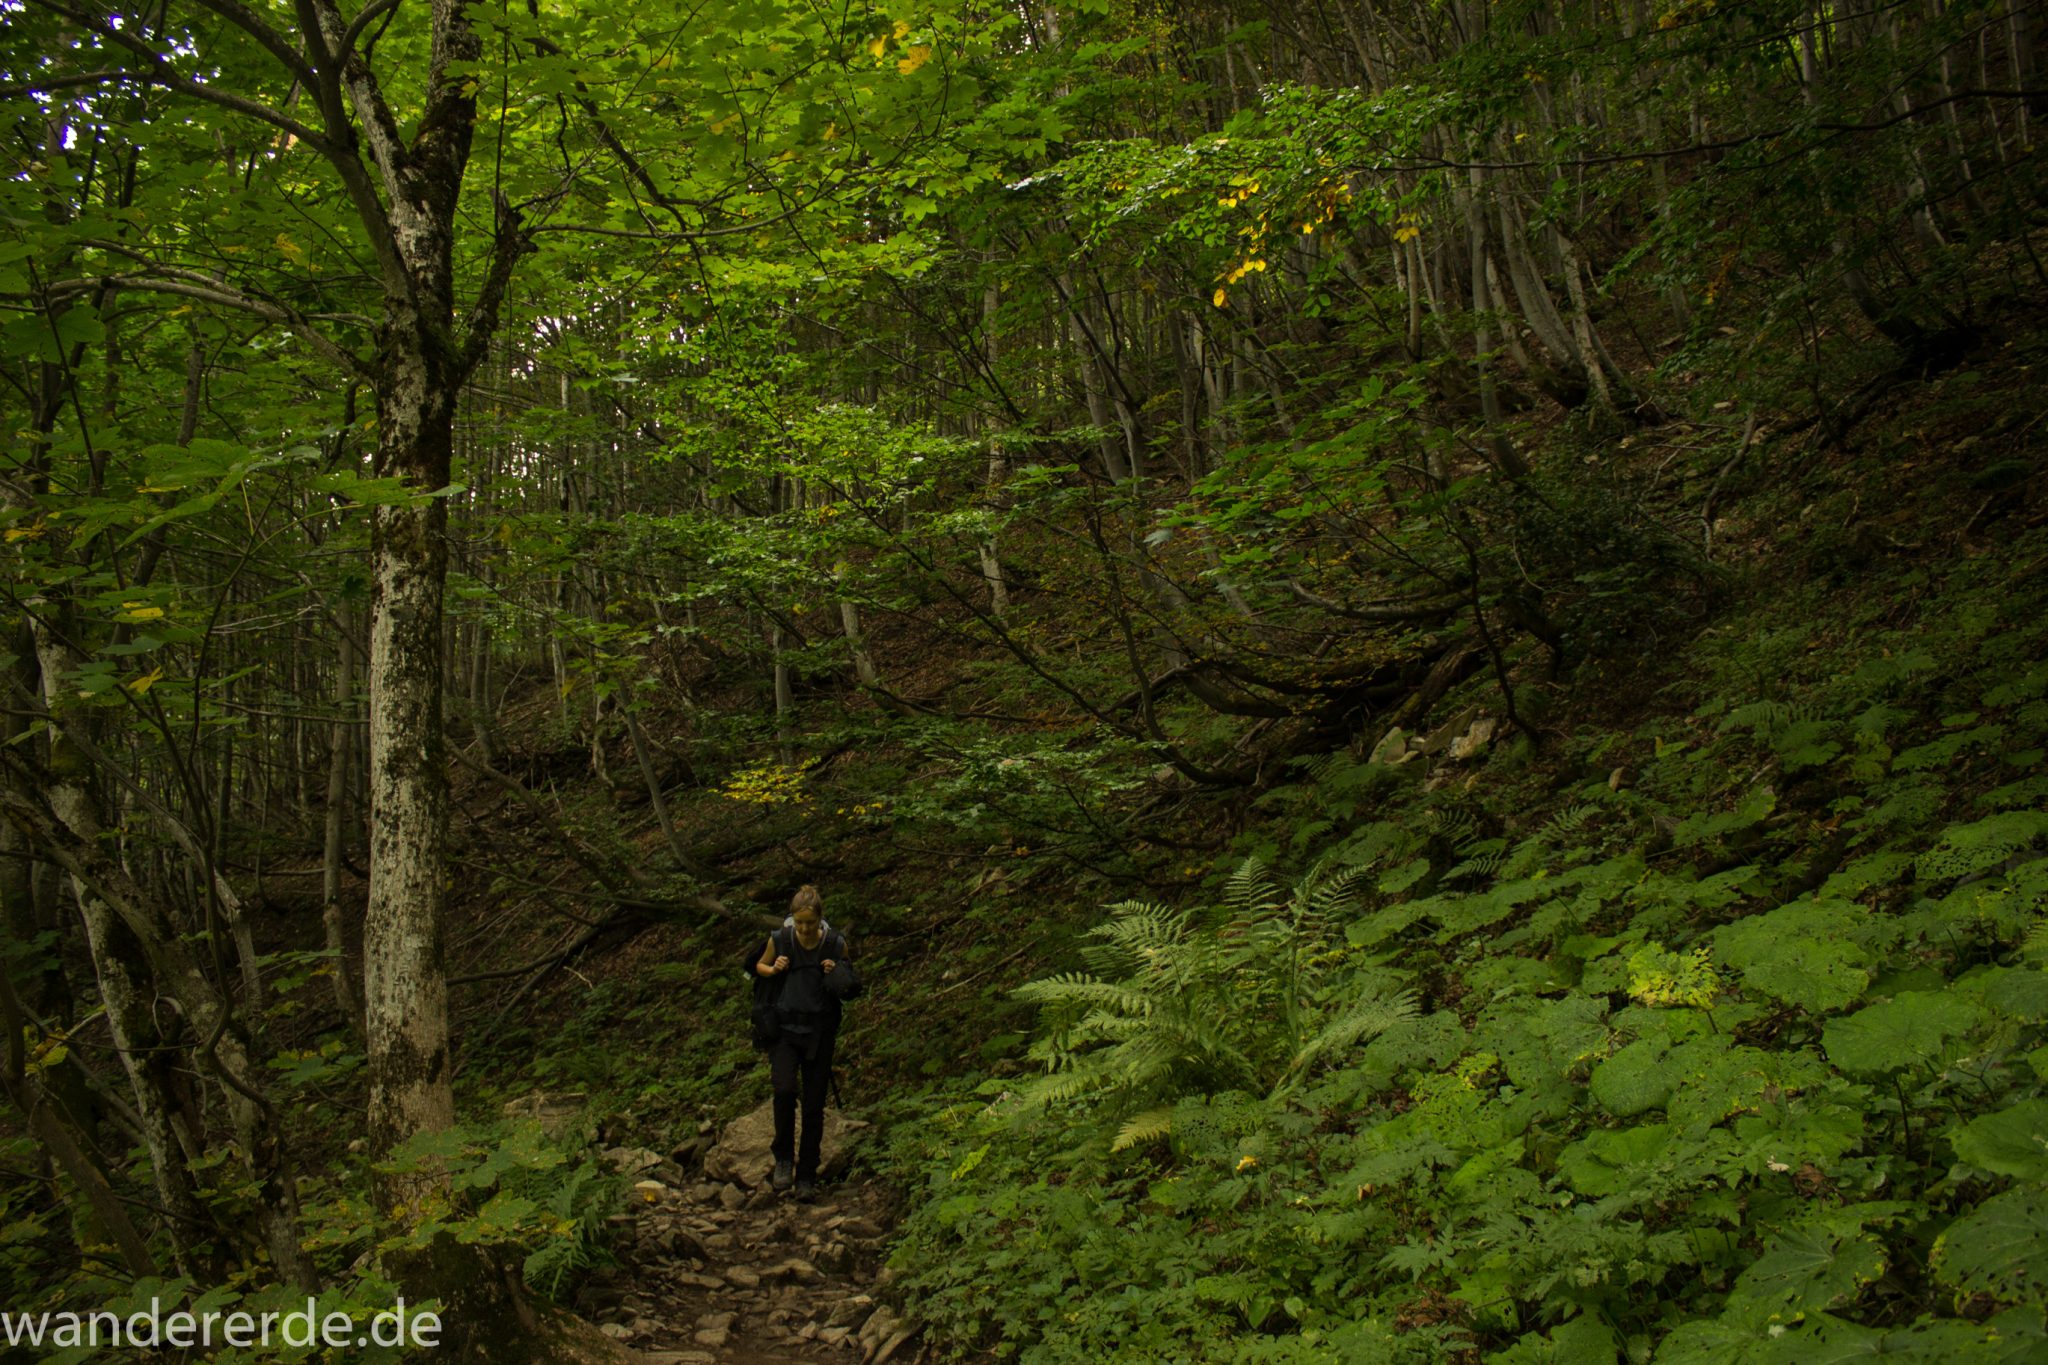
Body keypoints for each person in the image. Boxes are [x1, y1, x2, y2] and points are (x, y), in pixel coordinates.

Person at [753, 884, 860, 1199]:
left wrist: (836, 970)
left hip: (819, 1033)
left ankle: (807, 1176)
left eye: (809, 923)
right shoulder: (780, 940)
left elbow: (851, 980)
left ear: (819, 919)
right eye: (799, 922)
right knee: (784, 1091)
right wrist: (773, 968)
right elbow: (759, 966)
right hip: (784, 1032)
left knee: (814, 1106)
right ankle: (783, 1159)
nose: (804, 928)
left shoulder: (834, 944)